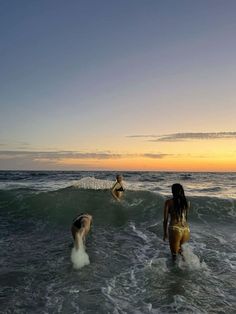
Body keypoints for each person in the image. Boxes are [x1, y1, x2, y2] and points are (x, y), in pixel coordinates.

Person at [163, 183, 190, 260]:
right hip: (186, 230)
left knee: (174, 256)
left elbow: (165, 220)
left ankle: (175, 271)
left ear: (173, 191)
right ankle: (188, 268)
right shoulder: (186, 202)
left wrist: (165, 233)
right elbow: (186, 218)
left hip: (175, 229)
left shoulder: (168, 202)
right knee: (180, 251)